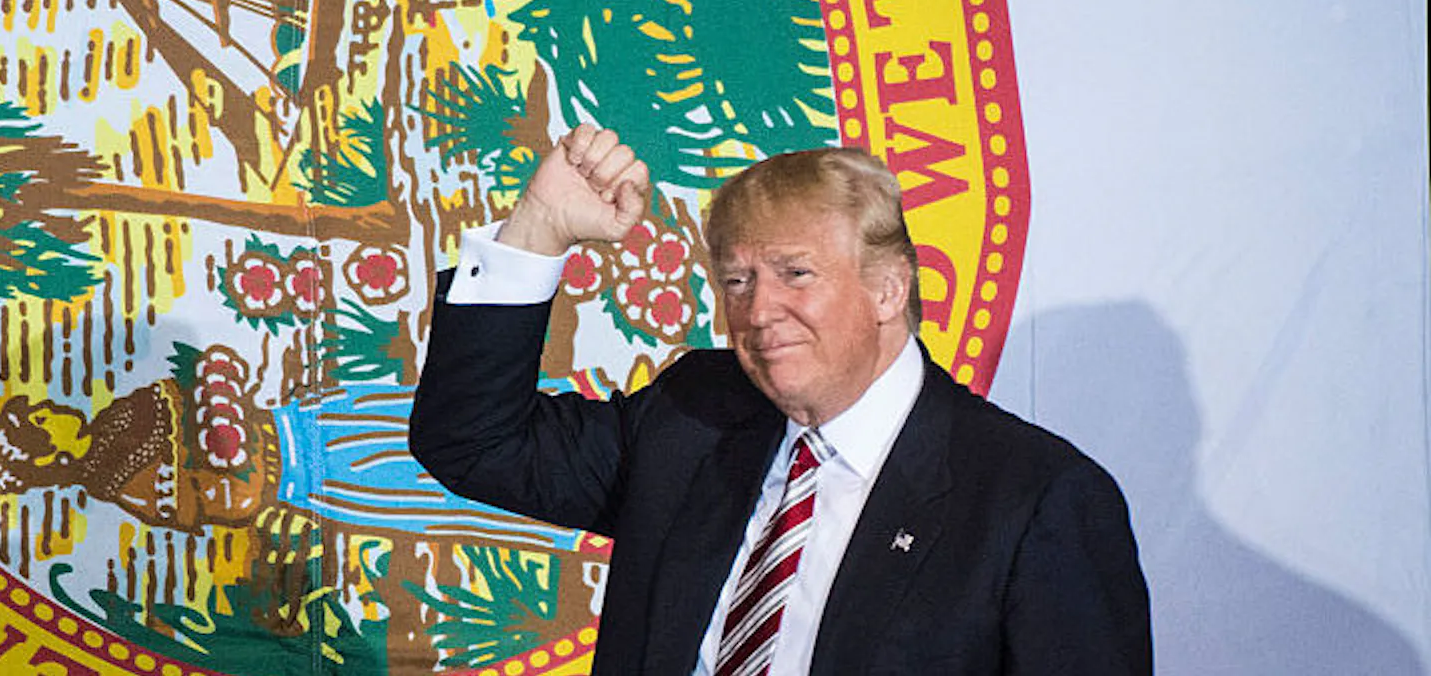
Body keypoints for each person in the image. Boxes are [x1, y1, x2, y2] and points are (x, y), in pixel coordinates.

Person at [409, 126, 1151, 675]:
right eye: (737, 281)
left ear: (889, 288)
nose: (759, 310)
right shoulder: (693, 418)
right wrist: (538, 225)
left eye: (796, 273)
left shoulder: (1034, 499)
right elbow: (475, 441)